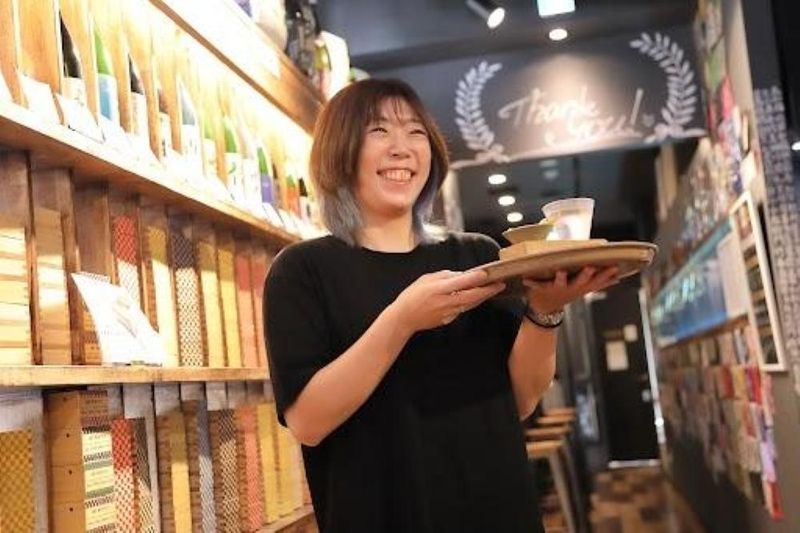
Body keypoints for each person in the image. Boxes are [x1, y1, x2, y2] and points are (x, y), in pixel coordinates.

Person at [264, 78, 618, 532]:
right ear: (339, 152)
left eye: (416, 132)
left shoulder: (477, 257)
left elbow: (521, 400)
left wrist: (546, 311)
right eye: (379, 131)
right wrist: (401, 320)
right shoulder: (301, 271)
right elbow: (308, 422)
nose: (402, 148)